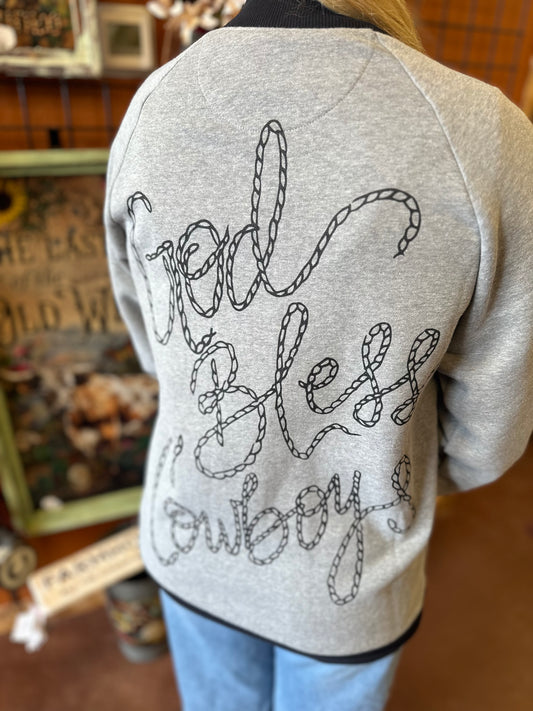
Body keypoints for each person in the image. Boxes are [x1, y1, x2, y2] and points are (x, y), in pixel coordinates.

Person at [104, 0, 533, 708]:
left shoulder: (156, 104)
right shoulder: (484, 135)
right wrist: (392, 463)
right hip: (350, 572)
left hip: (188, 533)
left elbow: (154, 346)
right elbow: (493, 427)